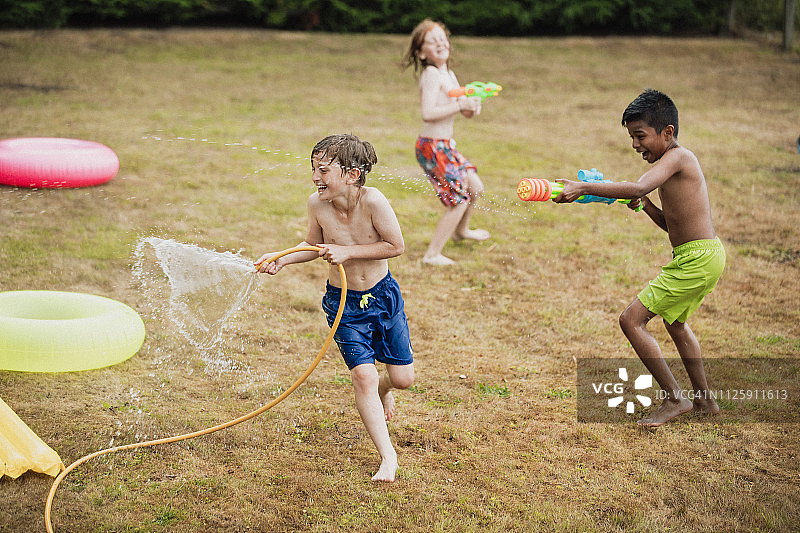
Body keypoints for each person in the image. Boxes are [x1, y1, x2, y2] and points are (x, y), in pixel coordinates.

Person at [554, 89, 725, 427]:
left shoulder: (678, 158)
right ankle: (706, 401)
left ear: (668, 132)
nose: (635, 144)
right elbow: (670, 224)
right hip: (703, 254)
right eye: (632, 136)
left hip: (696, 259)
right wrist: (647, 206)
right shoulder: (671, 164)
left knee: (630, 320)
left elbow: (635, 187)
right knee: (675, 324)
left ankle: (676, 398)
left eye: (640, 135)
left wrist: (584, 188)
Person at [256, 134, 414, 481]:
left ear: (352, 175)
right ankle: (388, 457)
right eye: (314, 169)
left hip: (383, 296)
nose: (315, 177)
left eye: (323, 170)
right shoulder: (318, 204)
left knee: (402, 379)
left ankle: (385, 391)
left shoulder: (374, 202)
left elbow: (396, 245)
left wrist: (348, 252)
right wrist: (282, 260)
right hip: (344, 304)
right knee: (363, 375)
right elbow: (312, 245)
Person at [402, 18, 490, 266]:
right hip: (432, 146)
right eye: (432, 40)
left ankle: (461, 231)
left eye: (443, 38)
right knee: (459, 198)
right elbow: (428, 113)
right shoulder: (431, 74)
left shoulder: (448, 73)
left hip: (445, 144)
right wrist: (460, 104)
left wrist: (473, 104)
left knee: (475, 187)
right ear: (421, 52)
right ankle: (432, 255)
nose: (440, 43)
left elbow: (464, 112)